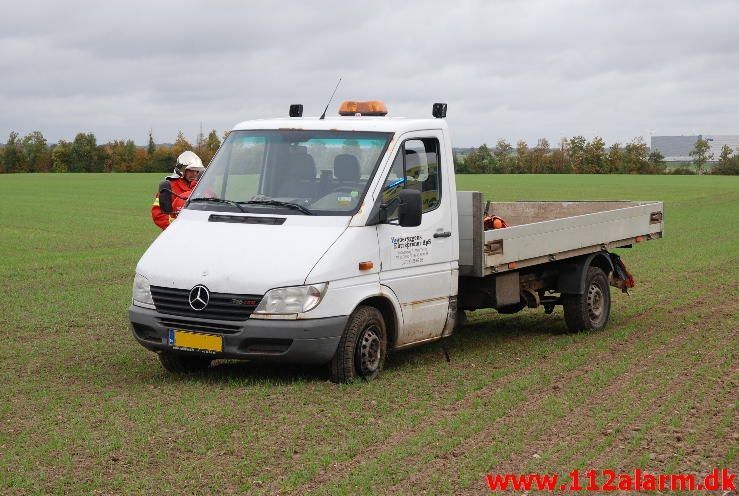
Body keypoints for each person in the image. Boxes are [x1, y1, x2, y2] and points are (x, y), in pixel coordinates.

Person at [151, 151, 205, 230]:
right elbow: (158, 215)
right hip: (175, 233)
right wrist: (176, 227)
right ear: (182, 170)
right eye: (191, 170)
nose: (194, 174)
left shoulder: (199, 187)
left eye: (196, 171)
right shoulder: (169, 187)